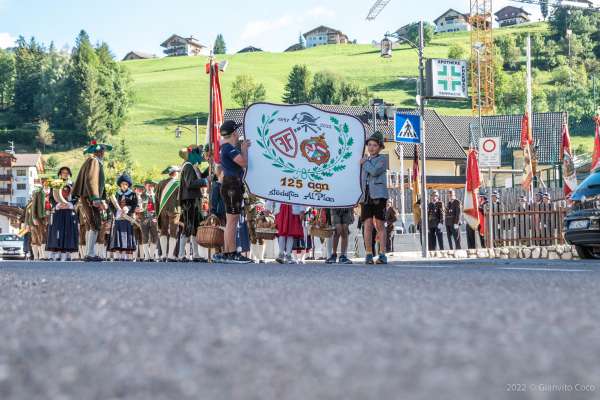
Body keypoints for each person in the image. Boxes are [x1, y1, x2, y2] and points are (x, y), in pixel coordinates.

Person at [212, 120, 252, 264]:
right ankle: (232, 253)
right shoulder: (229, 148)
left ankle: (228, 252)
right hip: (232, 185)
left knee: (231, 221)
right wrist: (245, 149)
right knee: (232, 222)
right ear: (234, 133)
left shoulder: (225, 147)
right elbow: (243, 163)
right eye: (237, 131)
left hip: (229, 184)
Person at [72, 140, 111, 261]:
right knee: (95, 223)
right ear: (99, 152)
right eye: (102, 150)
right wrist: (96, 198)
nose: (104, 152)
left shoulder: (90, 161)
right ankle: (90, 253)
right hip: (90, 197)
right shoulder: (94, 161)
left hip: (87, 196)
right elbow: (91, 180)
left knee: (91, 225)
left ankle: (89, 252)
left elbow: (96, 183)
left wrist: (101, 198)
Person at [359, 131, 389, 264]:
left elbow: (375, 171)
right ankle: (369, 253)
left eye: (374, 145)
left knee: (380, 225)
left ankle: (382, 253)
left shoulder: (382, 159)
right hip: (365, 196)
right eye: (369, 145)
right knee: (367, 225)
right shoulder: (365, 159)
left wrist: (364, 162)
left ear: (380, 147)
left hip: (379, 195)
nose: (371, 147)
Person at [178, 145, 209, 262]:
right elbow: (190, 183)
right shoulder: (188, 167)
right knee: (188, 226)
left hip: (194, 199)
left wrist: (210, 168)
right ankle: (181, 254)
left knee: (195, 227)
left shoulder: (193, 167)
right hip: (189, 200)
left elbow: (201, 177)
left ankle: (195, 254)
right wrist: (205, 181)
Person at [46, 167, 78, 261]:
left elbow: (76, 197)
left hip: (68, 210)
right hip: (58, 211)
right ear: (60, 173)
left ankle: (66, 252)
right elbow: (51, 197)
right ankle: (57, 252)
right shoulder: (55, 184)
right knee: (57, 231)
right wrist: (57, 204)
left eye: (67, 172)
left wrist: (70, 204)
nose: (65, 174)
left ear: (69, 174)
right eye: (63, 172)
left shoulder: (73, 184)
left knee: (68, 231)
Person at [108, 174, 138, 260]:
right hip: (118, 218)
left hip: (127, 218)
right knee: (118, 235)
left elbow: (134, 204)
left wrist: (128, 209)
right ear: (120, 185)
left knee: (127, 235)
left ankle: (127, 256)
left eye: (126, 184)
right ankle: (118, 256)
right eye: (122, 184)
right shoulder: (116, 194)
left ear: (128, 185)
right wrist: (116, 212)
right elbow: (110, 205)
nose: (124, 186)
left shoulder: (132, 194)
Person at [156, 166, 181, 262]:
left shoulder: (160, 183)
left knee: (163, 231)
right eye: (177, 172)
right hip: (174, 211)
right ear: (175, 173)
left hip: (162, 210)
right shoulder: (178, 184)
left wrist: (158, 211)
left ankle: (163, 255)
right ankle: (170, 255)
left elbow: (157, 199)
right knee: (174, 232)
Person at [139, 180, 159, 261]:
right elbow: (138, 206)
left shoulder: (157, 196)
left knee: (155, 237)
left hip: (154, 218)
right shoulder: (142, 196)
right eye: (148, 186)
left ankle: (152, 256)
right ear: (145, 187)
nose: (150, 187)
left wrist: (157, 217)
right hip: (144, 218)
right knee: (145, 237)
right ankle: (147, 256)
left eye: (151, 186)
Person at [29, 183, 49, 260]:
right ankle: (42, 255)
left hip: (47, 217)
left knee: (44, 236)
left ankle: (43, 255)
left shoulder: (50, 194)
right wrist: (34, 218)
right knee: (41, 236)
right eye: (46, 185)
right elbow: (34, 206)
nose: (47, 187)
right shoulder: (38, 193)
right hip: (39, 217)